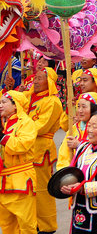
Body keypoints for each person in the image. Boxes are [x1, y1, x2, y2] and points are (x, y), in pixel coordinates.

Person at [23, 66, 63, 234]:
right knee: (28, 190)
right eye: (35, 78)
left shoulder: (52, 102)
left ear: (50, 82)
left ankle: (47, 226)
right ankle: (34, 223)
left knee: (41, 190)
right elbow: (12, 103)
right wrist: (10, 89)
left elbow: (41, 126)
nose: (35, 81)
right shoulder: (29, 97)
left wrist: (20, 129)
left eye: (39, 78)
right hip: (25, 149)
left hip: (40, 150)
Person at [0, 90, 37, 234]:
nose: (0, 105)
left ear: (16, 106)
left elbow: (22, 145)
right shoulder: (3, 122)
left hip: (21, 179)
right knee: (7, 226)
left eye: (4, 102)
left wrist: (2, 137)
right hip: (3, 182)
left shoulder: (26, 123)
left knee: (27, 225)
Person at [58, 93, 97, 168]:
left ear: (93, 109)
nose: (80, 111)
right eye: (78, 107)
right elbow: (64, 154)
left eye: (84, 107)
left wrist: (80, 145)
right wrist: (66, 172)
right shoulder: (73, 129)